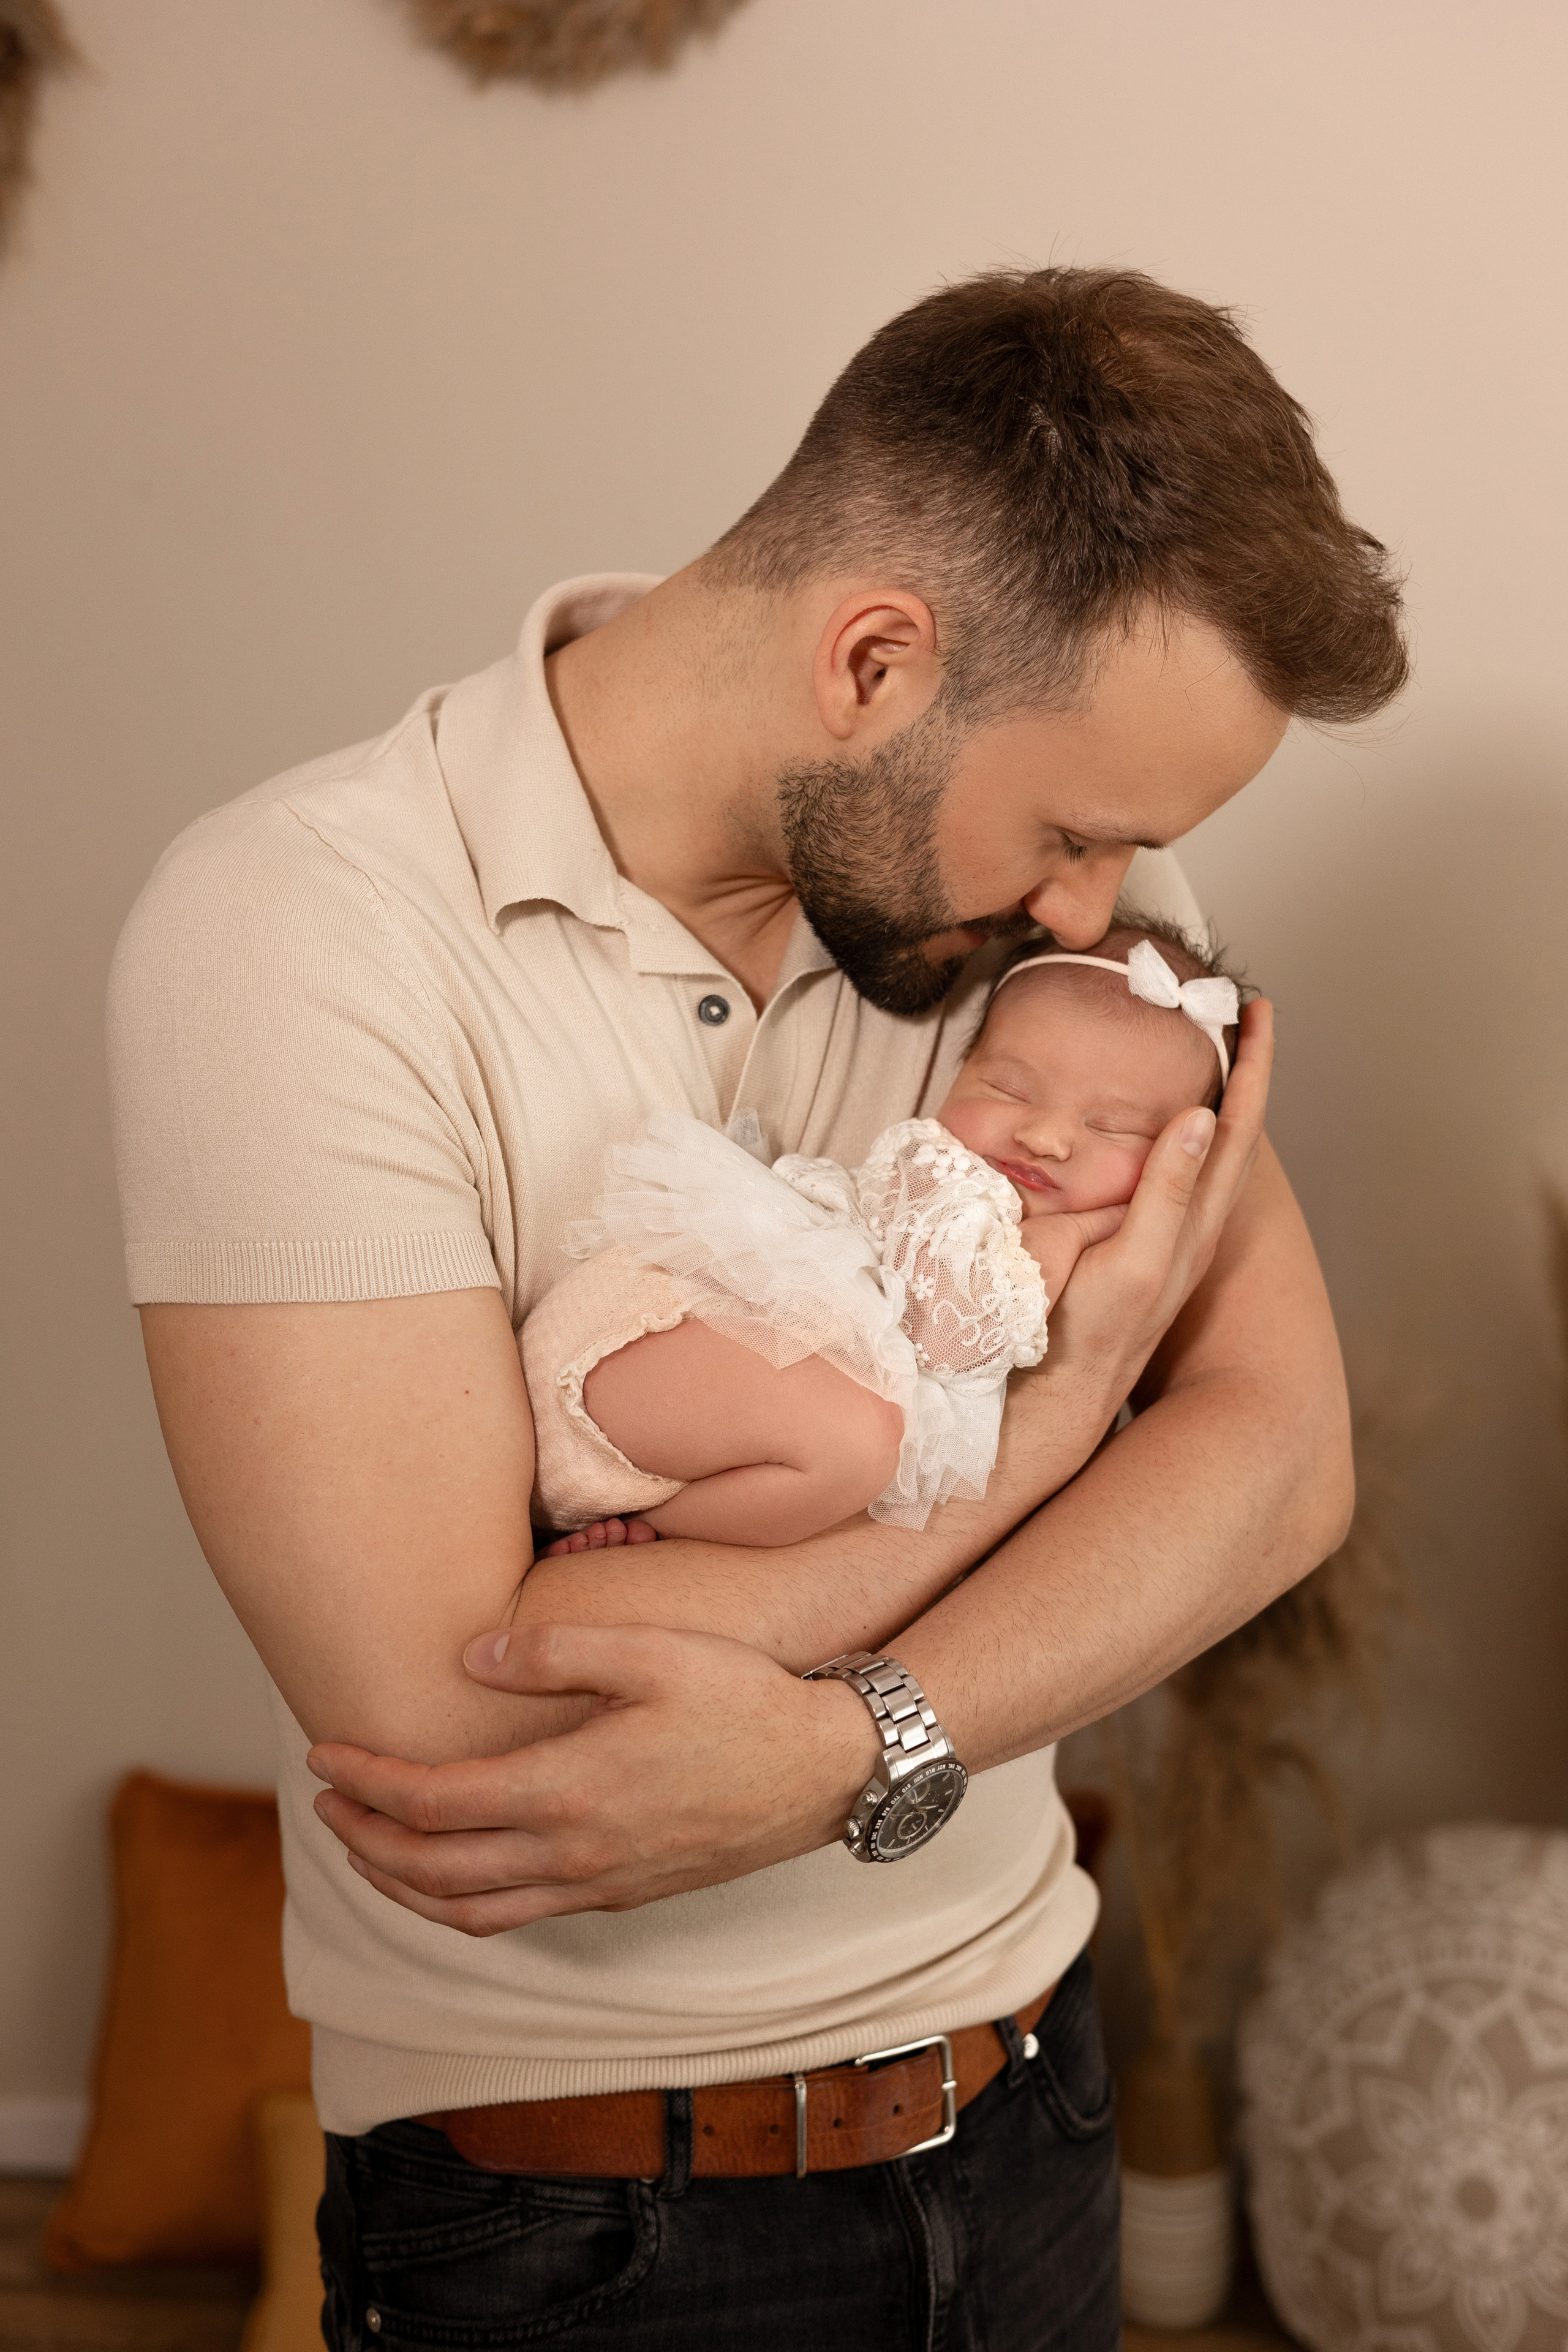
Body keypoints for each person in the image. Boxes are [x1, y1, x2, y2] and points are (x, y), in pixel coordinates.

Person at [108, 266, 1406, 2348]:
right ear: (876, 659)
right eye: (1078, 836)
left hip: (1028, 2109)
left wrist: (844, 1749)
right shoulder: (297, 936)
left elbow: (1279, 1462)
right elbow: (474, 1714)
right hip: (569, 2232)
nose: (1105, 914)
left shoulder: (1060, 958)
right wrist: (1053, 1444)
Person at [529, 917, 1243, 1551]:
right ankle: (658, 1530)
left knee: (861, 1454)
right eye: (1008, 1090)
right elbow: (948, 1339)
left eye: (1110, 1127)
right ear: (961, 1072)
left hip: (684, 1398)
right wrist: (1068, 1238)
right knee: (861, 1446)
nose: (1046, 1136)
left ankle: (654, 1523)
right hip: (626, 1340)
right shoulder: (933, 1171)